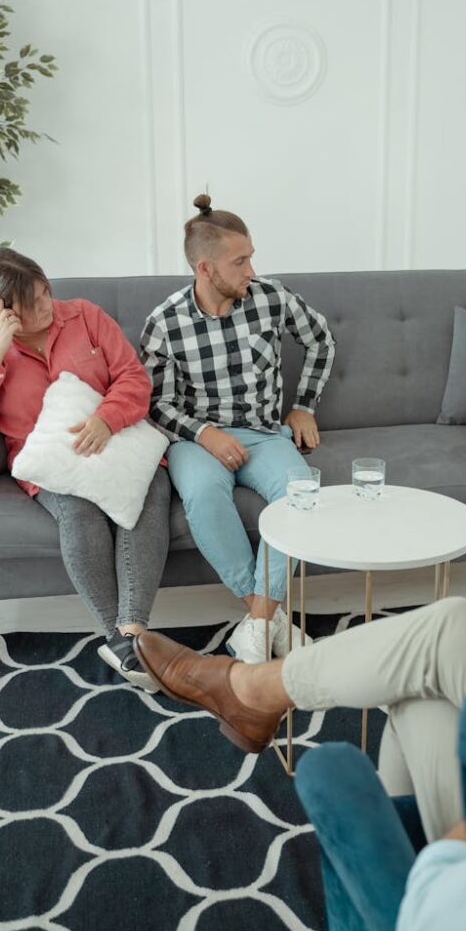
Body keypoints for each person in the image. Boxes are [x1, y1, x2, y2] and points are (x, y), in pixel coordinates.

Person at [132, 598, 466, 931]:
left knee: (418, 685)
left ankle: (247, 693)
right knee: (450, 627)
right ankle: (249, 691)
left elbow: (433, 924)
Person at [140, 194, 335, 664]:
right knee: (205, 497)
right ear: (205, 269)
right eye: (240, 260)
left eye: (251, 256)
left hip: (265, 433)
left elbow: (321, 341)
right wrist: (205, 435)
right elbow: (156, 404)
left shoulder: (272, 297)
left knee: (302, 491)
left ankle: (258, 623)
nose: (251, 269)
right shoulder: (165, 323)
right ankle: (269, 618)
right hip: (195, 440)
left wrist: (304, 406)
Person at [0, 249, 171, 690]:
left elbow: (133, 379)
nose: (47, 306)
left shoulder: (85, 317)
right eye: (34, 302)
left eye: (46, 292)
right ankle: (120, 640)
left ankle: (130, 634)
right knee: (79, 510)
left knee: (148, 489)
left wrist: (107, 418)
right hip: (49, 463)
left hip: (117, 439)